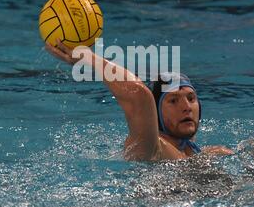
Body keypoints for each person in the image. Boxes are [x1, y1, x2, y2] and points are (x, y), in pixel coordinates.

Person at [46, 39, 234, 161]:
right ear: (156, 112)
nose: (186, 107)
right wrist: (86, 57)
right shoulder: (150, 146)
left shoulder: (208, 154)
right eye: (173, 101)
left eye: (191, 98)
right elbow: (138, 95)